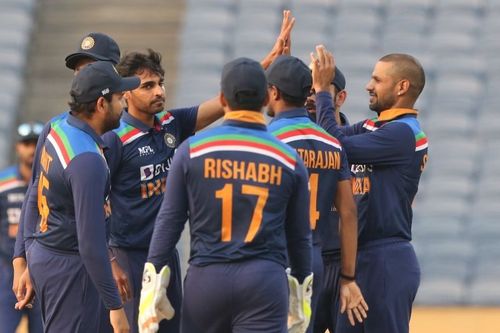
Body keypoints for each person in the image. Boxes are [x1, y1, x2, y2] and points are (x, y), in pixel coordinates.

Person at [102, 11, 296, 333]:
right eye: (147, 86)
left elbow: (224, 104)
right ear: (125, 94)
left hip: (166, 254)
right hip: (130, 256)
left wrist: (267, 62)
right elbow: (96, 203)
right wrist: (109, 261)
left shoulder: (170, 125)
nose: (158, 91)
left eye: (160, 83)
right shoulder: (115, 140)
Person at [138, 57, 312, 333]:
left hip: (207, 279)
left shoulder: (191, 150)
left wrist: (153, 277)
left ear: (222, 98)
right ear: (267, 97)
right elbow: (300, 235)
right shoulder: (289, 159)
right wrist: (301, 288)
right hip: (263, 280)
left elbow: (169, 221)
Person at [312, 45, 428, 333]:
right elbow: (320, 138)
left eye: (377, 80)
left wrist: (324, 91)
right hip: (360, 260)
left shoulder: (402, 133)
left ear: (402, 87)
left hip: (385, 259)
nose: (368, 86)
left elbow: (334, 146)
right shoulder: (376, 127)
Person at [25, 61, 139, 332]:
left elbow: (34, 192)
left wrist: (29, 254)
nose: (124, 105)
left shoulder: (59, 127)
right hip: (70, 267)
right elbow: (91, 244)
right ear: (101, 104)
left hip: (49, 253)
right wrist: (115, 308)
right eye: (119, 99)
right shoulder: (87, 160)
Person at [12, 32, 123, 309]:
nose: (80, 75)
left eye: (90, 67)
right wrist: (23, 258)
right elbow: (36, 192)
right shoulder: (57, 127)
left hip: (116, 261)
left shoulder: (118, 132)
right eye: (78, 69)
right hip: (73, 261)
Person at [266, 56, 367, 333]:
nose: (313, 95)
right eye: (308, 89)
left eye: (319, 89)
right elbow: (349, 211)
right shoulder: (334, 144)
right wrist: (349, 277)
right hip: (316, 256)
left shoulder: (269, 140)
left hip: (282, 257)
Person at [0, 122, 44, 333]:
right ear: (18, 147)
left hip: (44, 273)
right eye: (27, 144)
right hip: (7, 274)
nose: (32, 150)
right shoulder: (3, 183)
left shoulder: (52, 181)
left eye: (36, 143)